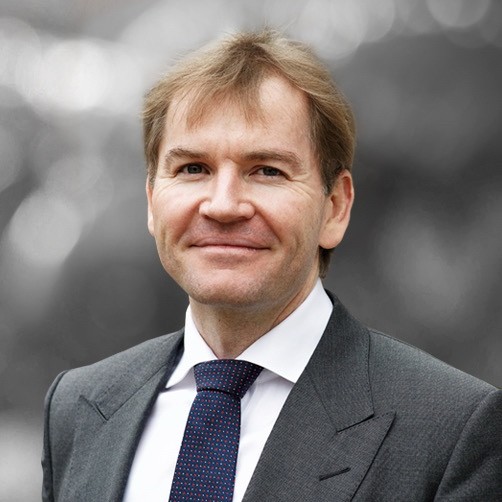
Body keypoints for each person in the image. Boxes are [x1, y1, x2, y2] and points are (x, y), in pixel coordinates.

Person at [42, 30, 501, 502]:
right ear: (152, 201)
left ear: (335, 208)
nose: (223, 205)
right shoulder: (78, 409)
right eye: (192, 168)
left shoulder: (452, 432)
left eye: (267, 171)